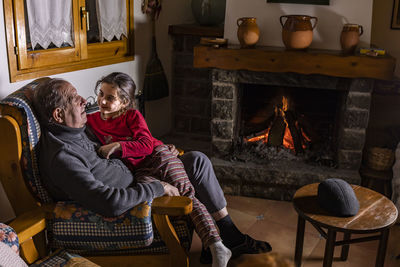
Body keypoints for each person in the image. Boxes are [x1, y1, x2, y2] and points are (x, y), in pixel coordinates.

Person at [32, 78, 271, 265]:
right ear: (58, 114)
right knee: (185, 188)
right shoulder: (63, 157)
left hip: (141, 165)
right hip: (140, 185)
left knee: (197, 161)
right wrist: (156, 187)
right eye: (75, 99)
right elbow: (107, 202)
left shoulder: (78, 128)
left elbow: (131, 138)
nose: (85, 101)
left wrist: (150, 147)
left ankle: (228, 234)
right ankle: (220, 242)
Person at [86, 72, 231, 266]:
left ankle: (217, 246)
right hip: (141, 172)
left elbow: (146, 144)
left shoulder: (132, 116)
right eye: (101, 94)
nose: (102, 100)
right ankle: (212, 245)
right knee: (152, 193)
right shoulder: (92, 121)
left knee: (186, 195)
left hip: (159, 156)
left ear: (124, 102)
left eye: (110, 97)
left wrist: (119, 146)